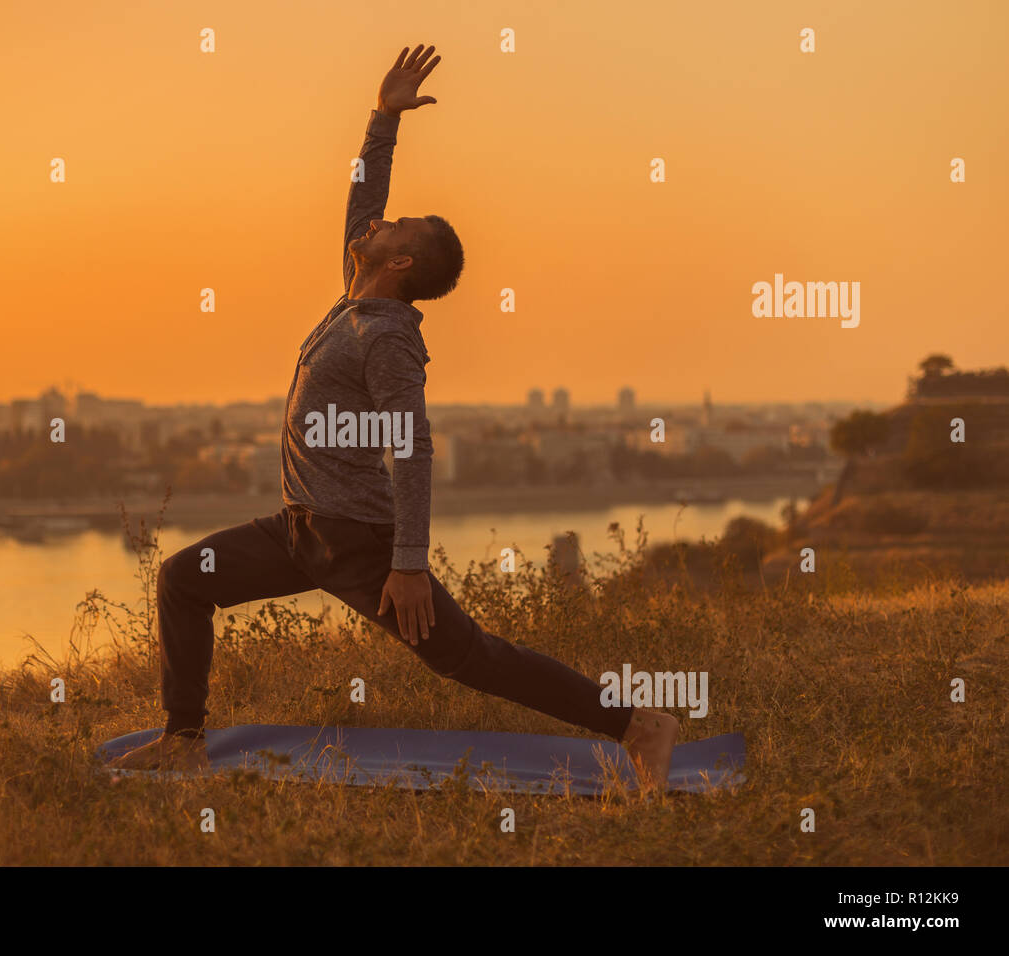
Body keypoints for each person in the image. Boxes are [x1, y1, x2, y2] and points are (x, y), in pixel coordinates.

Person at [111, 44, 679, 787]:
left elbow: (412, 449)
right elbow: (360, 203)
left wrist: (408, 565)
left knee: (468, 658)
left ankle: (640, 724)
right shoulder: (355, 297)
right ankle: (184, 739)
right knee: (184, 580)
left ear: (400, 263)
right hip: (299, 528)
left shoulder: (385, 339)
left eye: (395, 226)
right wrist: (383, 119)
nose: (380, 221)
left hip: (359, 542)